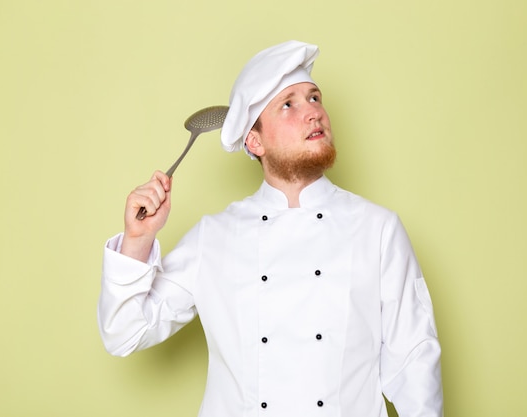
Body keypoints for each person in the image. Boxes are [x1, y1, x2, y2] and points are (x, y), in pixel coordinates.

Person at [98, 40, 443, 417]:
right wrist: (137, 240)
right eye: (288, 104)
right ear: (254, 140)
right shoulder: (214, 236)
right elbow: (123, 333)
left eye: (314, 98)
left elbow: (414, 362)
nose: (313, 113)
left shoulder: (378, 229)